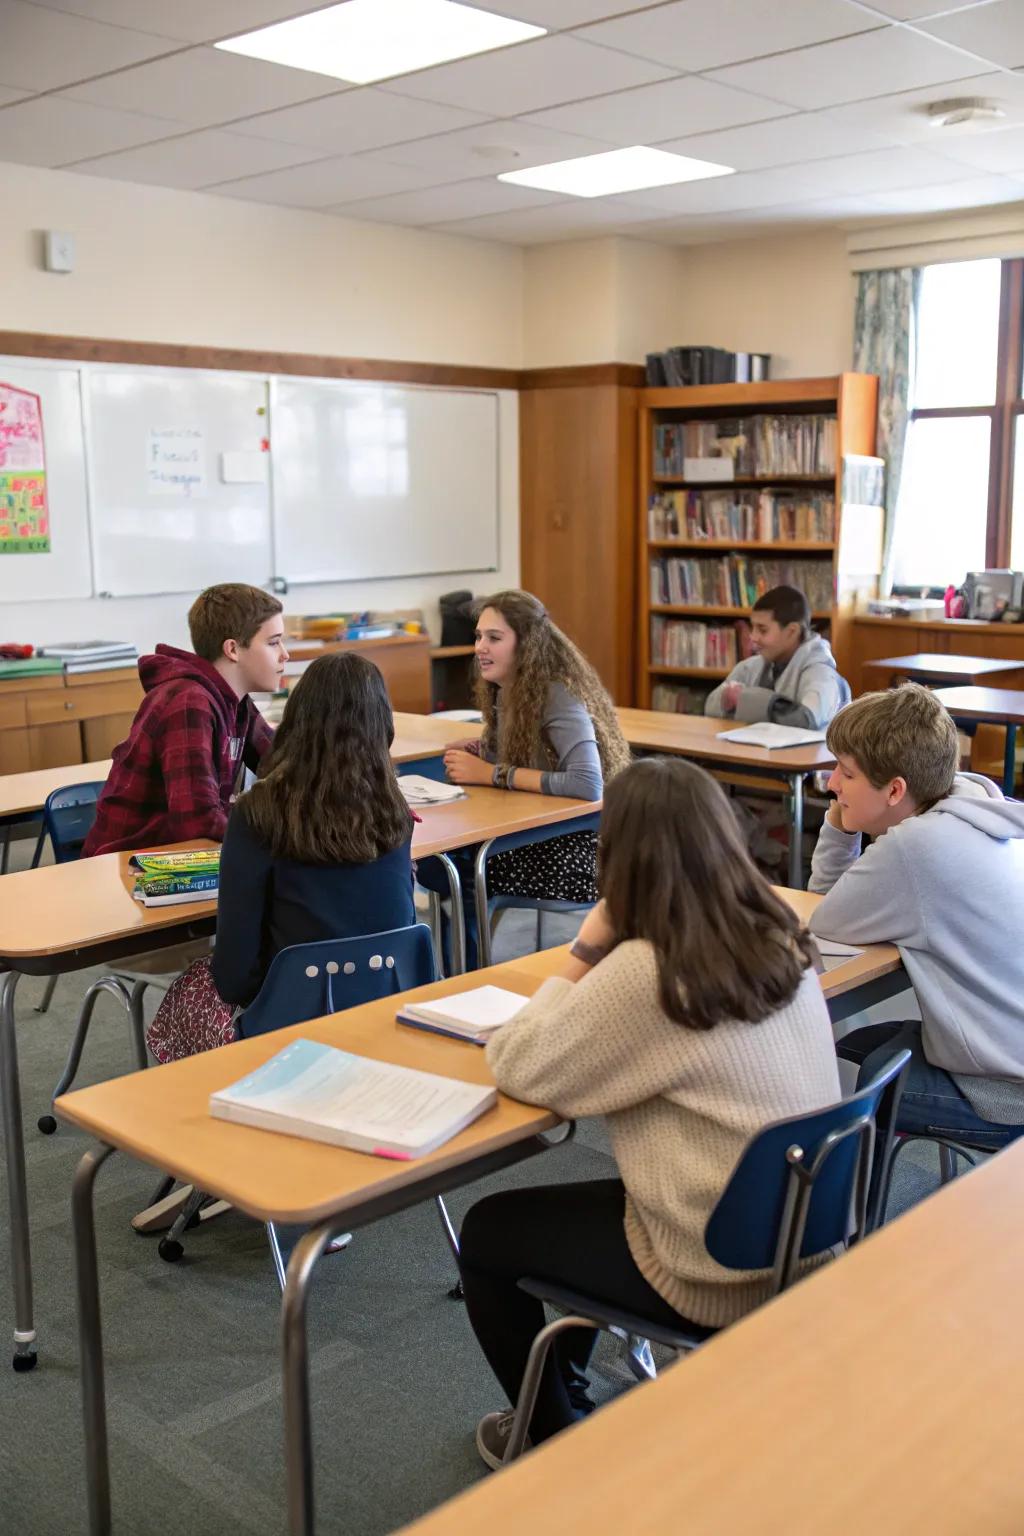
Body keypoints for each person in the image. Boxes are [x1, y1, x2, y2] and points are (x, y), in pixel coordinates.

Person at [458, 755, 841, 1469]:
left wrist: (583, 950)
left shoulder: (653, 969)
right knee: (580, 1215)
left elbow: (519, 1063)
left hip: (711, 1267)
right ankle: (563, 1382)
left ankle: (547, 1437)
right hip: (799, 1231)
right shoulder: (776, 932)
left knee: (489, 1233)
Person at [146, 652, 417, 1063]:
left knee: (190, 989)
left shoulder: (258, 813)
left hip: (290, 1017)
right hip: (386, 1005)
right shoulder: (395, 809)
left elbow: (235, 975)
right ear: (383, 724)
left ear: (296, 720)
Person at [808, 682, 1024, 1147]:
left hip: (1003, 1092)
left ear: (895, 790)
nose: (831, 784)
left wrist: (837, 828)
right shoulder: (972, 801)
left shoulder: (916, 848)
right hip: (1010, 1054)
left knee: (845, 1083)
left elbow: (824, 917)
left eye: (846, 772)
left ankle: (858, 1218)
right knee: (858, 1047)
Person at [424, 590, 631, 969]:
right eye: (478, 636)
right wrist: (484, 751)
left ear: (527, 644)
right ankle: (460, 965)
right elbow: (531, 757)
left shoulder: (557, 695)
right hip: (543, 834)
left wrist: (492, 773)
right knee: (439, 864)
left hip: (580, 850)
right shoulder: (508, 691)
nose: (479, 647)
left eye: (494, 638)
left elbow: (588, 784)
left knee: (461, 868)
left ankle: (465, 975)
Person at [83, 583, 285, 857]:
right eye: (274, 642)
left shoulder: (236, 704)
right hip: (129, 865)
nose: (285, 654)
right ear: (233, 650)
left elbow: (284, 765)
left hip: (174, 859)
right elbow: (197, 823)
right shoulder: (189, 702)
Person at [705, 584, 850, 729]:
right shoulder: (750, 667)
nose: (753, 637)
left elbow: (806, 720)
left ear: (792, 631)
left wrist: (744, 699)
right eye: (752, 628)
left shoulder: (821, 674)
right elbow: (711, 706)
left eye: (762, 630)